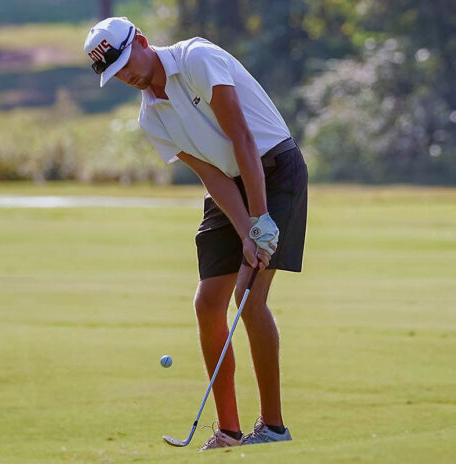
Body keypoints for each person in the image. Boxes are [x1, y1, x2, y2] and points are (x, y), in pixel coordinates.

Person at [84, 17, 308, 450]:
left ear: (143, 42)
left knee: (249, 297)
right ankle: (227, 431)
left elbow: (241, 137)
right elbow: (210, 173)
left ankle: (274, 428)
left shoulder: (198, 58)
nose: (126, 76)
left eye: (126, 62)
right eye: (116, 74)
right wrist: (244, 227)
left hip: (274, 171)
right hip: (228, 181)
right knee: (208, 303)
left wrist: (259, 220)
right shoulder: (152, 117)